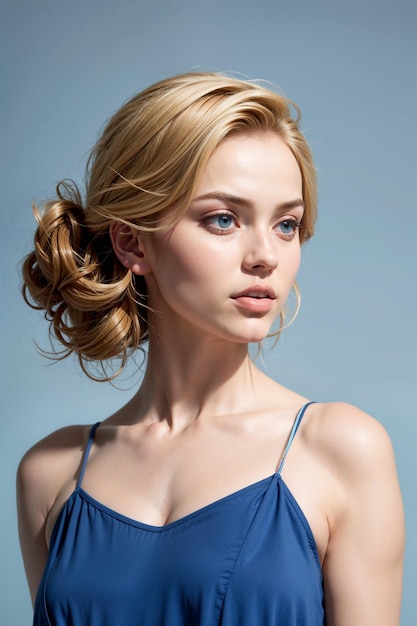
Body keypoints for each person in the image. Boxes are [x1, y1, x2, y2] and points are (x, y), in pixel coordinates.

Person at [17, 72, 404, 626]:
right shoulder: (50, 475)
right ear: (133, 242)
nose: (265, 256)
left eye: (287, 224)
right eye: (224, 218)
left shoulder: (340, 449)